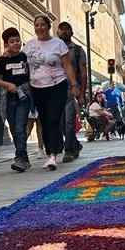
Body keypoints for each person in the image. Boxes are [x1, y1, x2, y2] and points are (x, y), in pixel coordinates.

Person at [23, 15, 79, 170]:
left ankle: (53, 155)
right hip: (37, 88)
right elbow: (23, 66)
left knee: (53, 119)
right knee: (44, 120)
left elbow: (67, 66)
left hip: (57, 86)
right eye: (37, 25)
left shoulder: (58, 44)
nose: (39, 27)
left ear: (48, 27)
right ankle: (49, 154)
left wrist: (74, 84)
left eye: (42, 25)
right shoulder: (29, 46)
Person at [0, 27, 32, 171]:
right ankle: (24, 158)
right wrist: (7, 84)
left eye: (18, 40)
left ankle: (20, 158)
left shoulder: (25, 57)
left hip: (24, 97)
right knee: (14, 129)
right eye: (12, 41)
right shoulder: (2, 60)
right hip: (9, 97)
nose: (16, 43)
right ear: (6, 44)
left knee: (20, 127)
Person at [57, 22, 87, 162]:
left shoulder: (78, 50)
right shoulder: (53, 49)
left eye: (67, 29)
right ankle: (75, 144)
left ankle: (68, 150)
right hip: (56, 90)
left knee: (69, 121)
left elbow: (83, 73)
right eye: (61, 29)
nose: (64, 32)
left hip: (71, 90)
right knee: (61, 123)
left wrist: (82, 92)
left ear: (72, 33)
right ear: (57, 33)